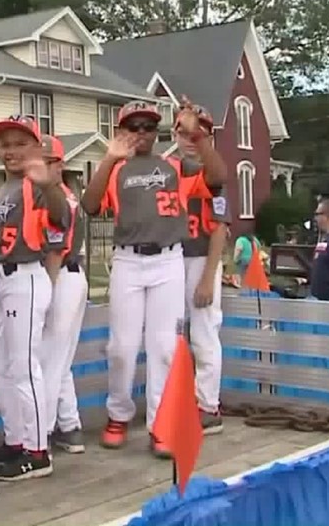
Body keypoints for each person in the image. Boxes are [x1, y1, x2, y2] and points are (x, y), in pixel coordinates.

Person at [79, 99, 225, 458]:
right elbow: (90, 205)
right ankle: (119, 413)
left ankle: (161, 424)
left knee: (163, 348)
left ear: (158, 132)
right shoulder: (116, 169)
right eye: (133, 127)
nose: (141, 133)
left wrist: (198, 135)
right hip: (129, 261)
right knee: (122, 348)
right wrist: (109, 157)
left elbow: (218, 179)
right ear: (121, 132)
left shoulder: (176, 166)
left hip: (168, 260)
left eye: (148, 127)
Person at [0, 115, 71, 482]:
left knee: (24, 366)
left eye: (20, 143)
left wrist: (51, 185)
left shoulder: (38, 183)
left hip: (27, 276)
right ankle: (16, 440)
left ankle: (37, 450)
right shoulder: (2, 191)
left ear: (36, 147)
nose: (11, 150)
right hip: (1, 280)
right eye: (5, 144)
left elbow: (61, 220)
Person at [173, 108, 230, 435]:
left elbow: (220, 227)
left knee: (204, 334)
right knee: (172, 335)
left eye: (198, 133)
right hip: (169, 260)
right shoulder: (167, 172)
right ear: (174, 136)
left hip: (199, 258)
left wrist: (209, 276)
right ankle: (178, 400)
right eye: (184, 133)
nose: (190, 140)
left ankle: (208, 406)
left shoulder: (214, 174)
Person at [38, 134, 89, 455]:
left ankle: (39, 434)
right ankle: (69, 426)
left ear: (59, 166)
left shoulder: (59, 200)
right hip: (71, 278)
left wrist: (43, 294)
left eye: (47, 162)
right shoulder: (64, 195)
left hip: (60, 277)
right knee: (60, 359)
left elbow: (56, 252)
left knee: (48, 361)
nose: (41, 167)